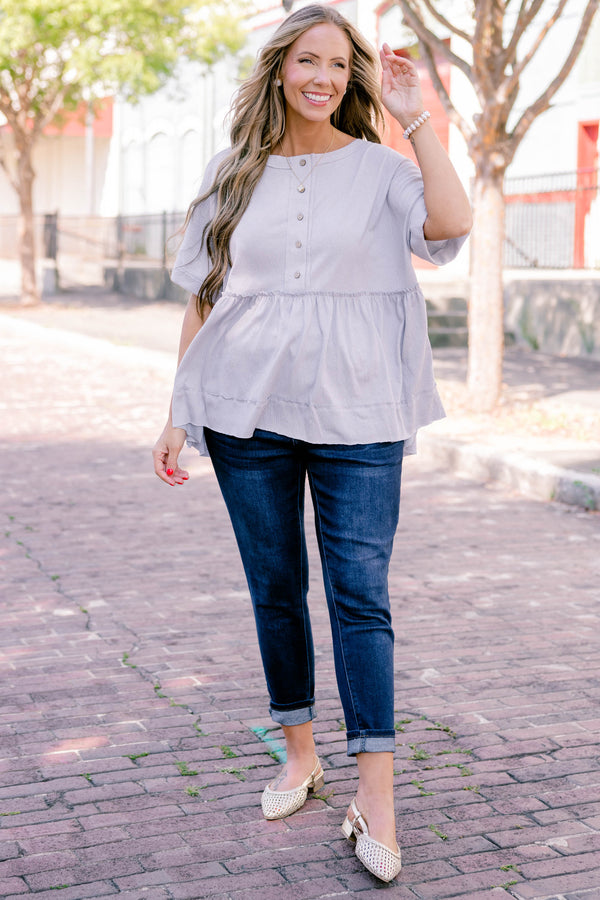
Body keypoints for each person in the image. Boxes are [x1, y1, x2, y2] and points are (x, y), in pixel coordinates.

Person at [152, 2, 471, 883]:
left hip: (362, 409)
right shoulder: (232, 171)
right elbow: (202, 299)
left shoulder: (382, 168)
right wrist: (177, 409)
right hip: (243, 409)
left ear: (354, 78)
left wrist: (416, 120)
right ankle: (299, 754)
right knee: (277, 588)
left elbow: (449, 225)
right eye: (307, 62)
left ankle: (378, 797)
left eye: (338, 64)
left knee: (360, 595)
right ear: (279, 72)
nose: (323, 78)